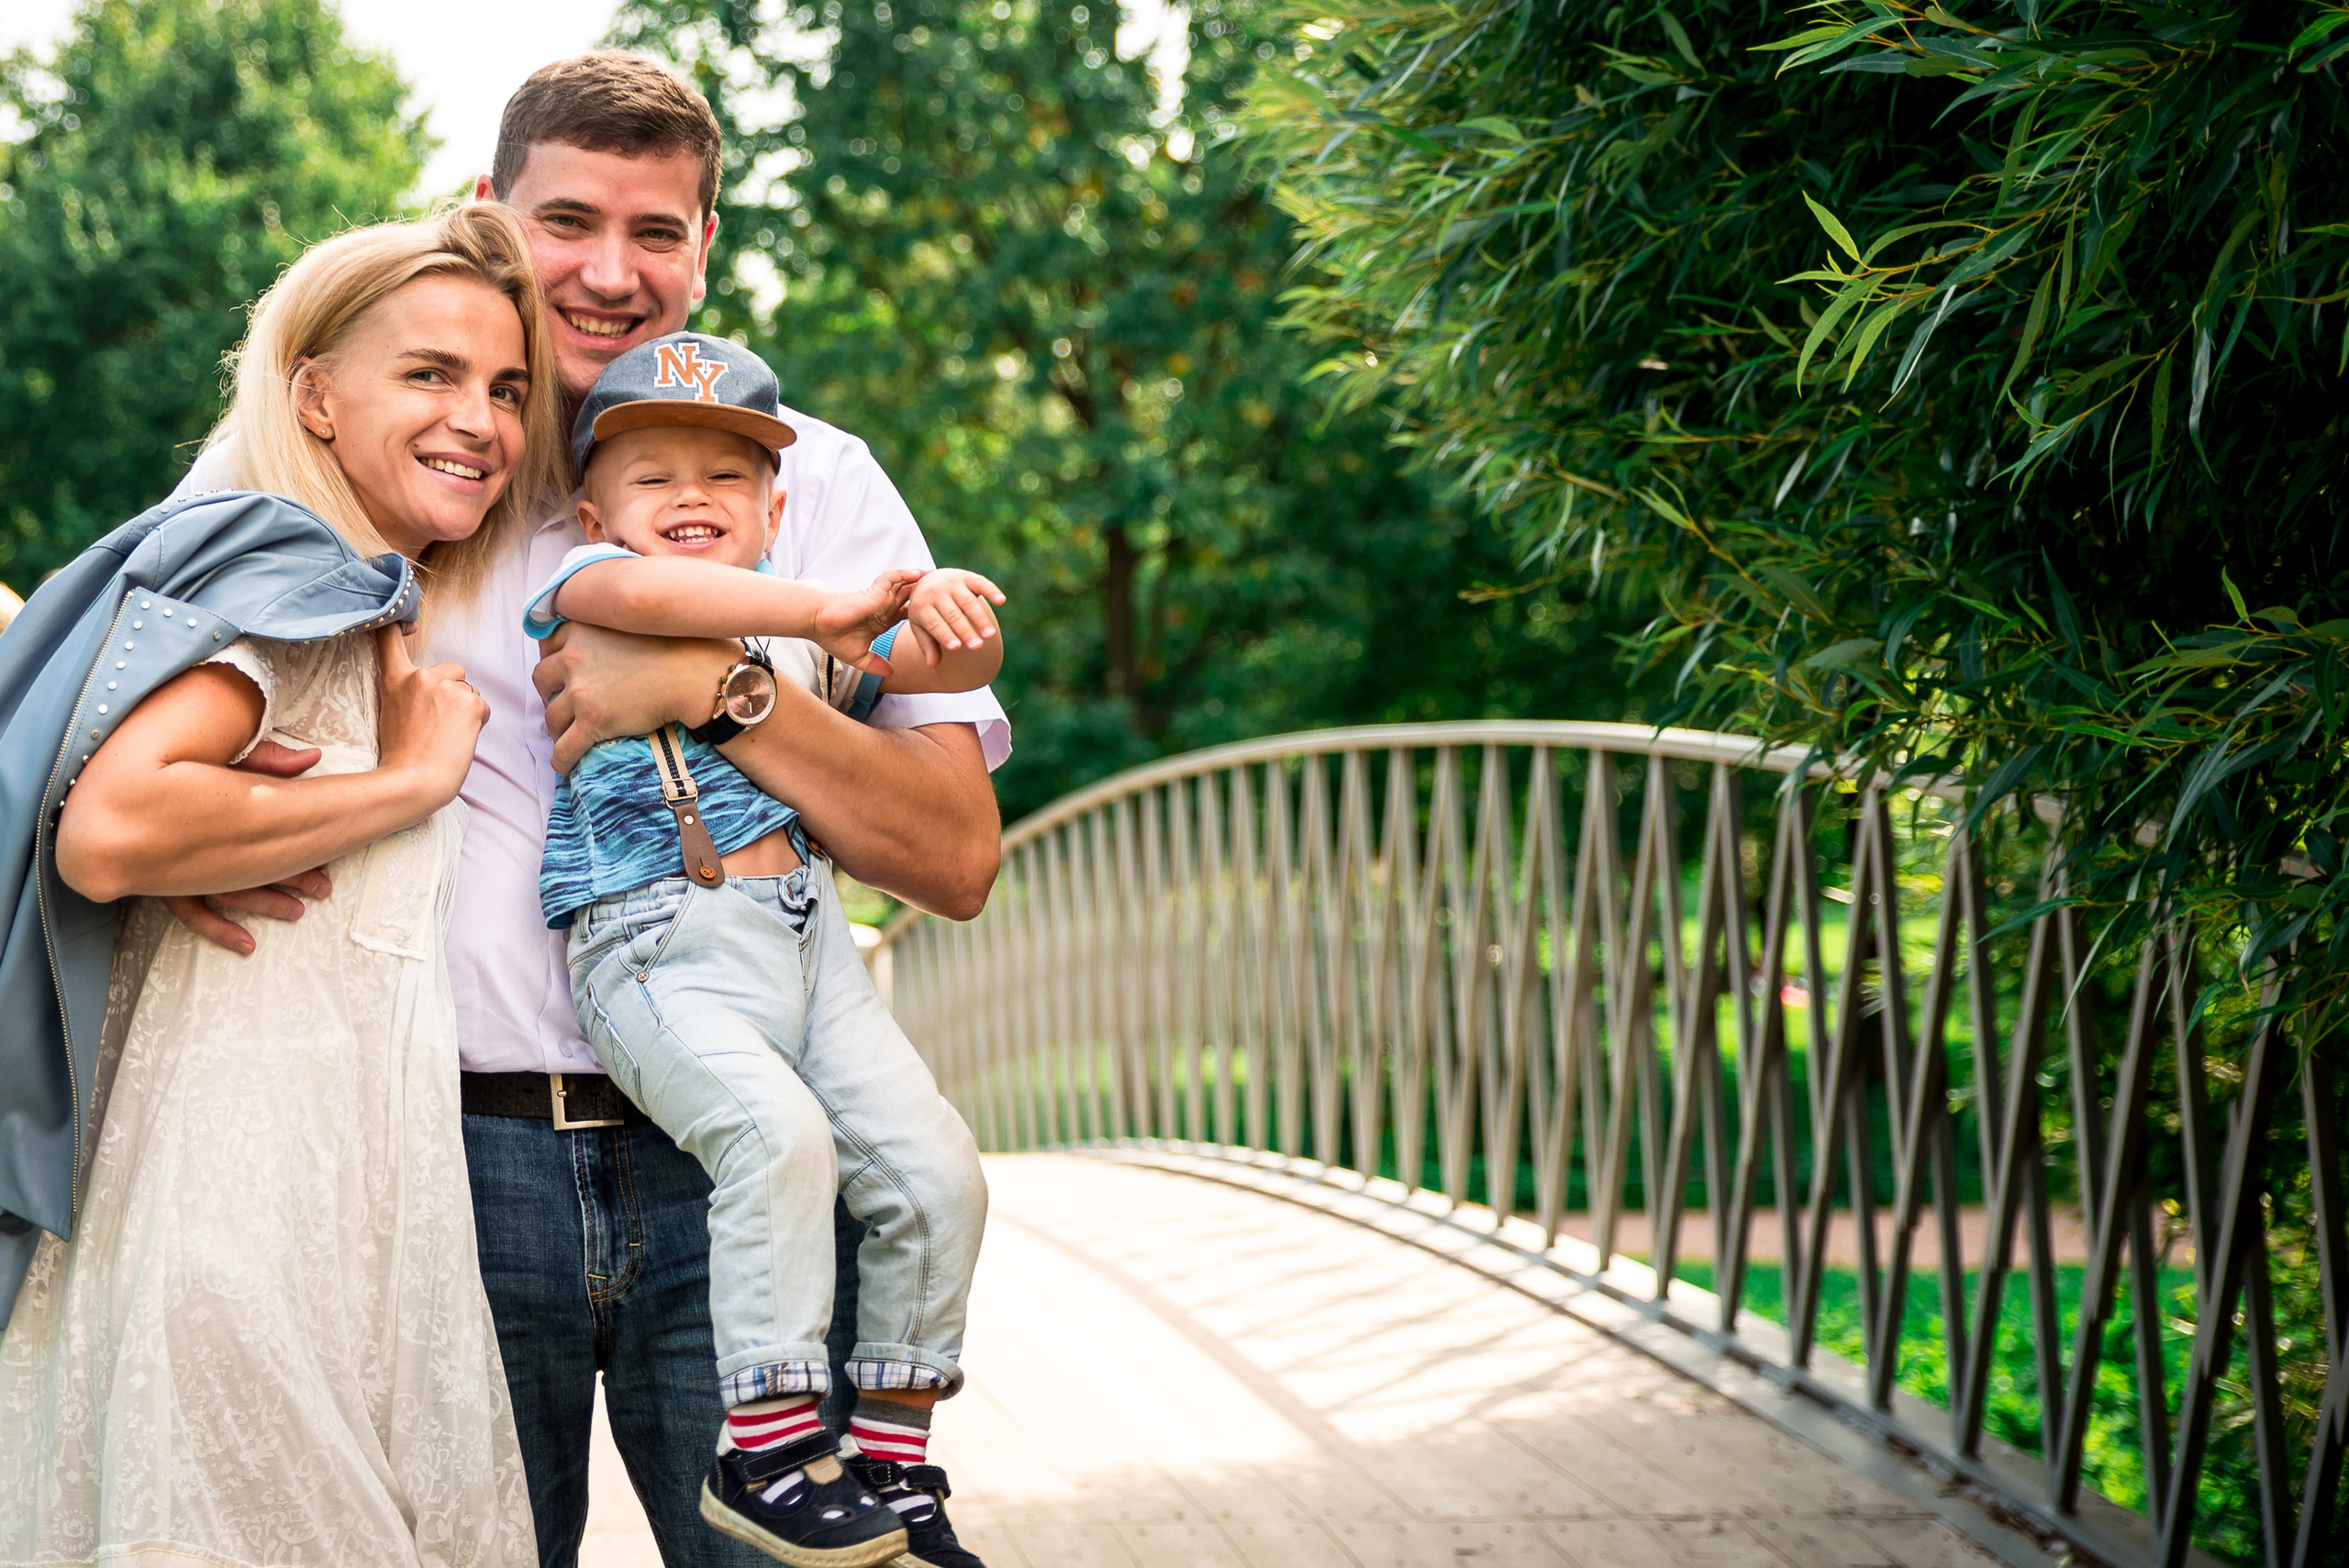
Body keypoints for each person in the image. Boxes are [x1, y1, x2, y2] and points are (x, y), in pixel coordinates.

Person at [161, 53, 1008, 1568]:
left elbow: (951, 857)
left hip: (743, 1149)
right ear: (488, 213)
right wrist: (182, 860)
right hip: (445, 1155)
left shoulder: (808, 479)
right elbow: (132, 706)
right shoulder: (381, 447)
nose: (610, 272)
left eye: (658, 231)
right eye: (567, 221)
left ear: (706, 245)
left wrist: (718, 690)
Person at [0, 203, 567, 1566]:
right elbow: (114, 824)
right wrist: (411, 780)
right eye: (427, 374)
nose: (480, 421)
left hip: (304, 1222)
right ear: (313, 396)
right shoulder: (294, 563)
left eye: (504, 387)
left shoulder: (333, 580)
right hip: (242, 1239)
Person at [522, 332, 1003, 1565]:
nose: (690, 496)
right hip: (653, 946)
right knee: (776, 1141)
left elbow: (942, 667)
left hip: (805, 945)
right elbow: (649, 602)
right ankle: (770, 1450)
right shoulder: (592, 584)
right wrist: (830, 605)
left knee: (936, 1169)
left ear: (776, 508)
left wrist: (945, 615)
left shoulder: (804, 625)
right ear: (595, 509)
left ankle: (891, 1455)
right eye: (654, 474)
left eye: (727, 476)